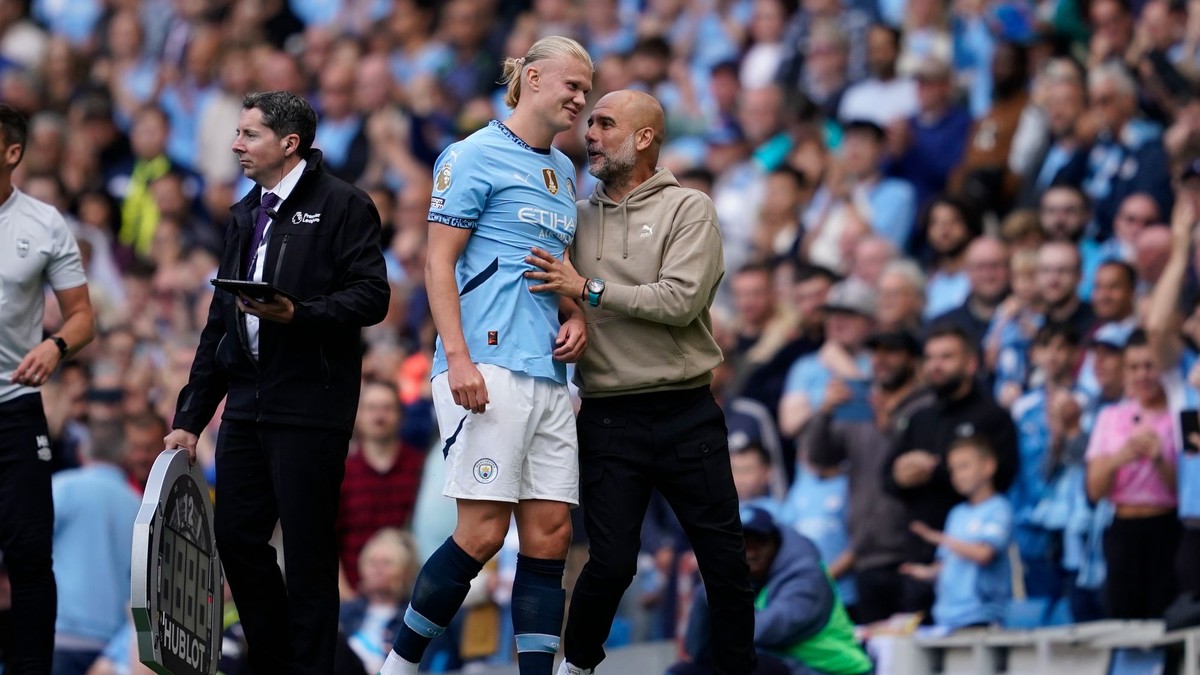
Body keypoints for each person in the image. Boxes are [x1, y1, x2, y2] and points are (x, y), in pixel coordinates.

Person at [376, 36, 593, 675]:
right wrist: (458, 357)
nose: (581, 98)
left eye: (587, 88)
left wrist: (576, 313)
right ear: (528, 78)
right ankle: (399, 664)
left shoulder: (565, 171)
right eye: (571, 84)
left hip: (550, 374)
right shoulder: (472, 156)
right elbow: (438, 262)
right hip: (487, 368)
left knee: (550, 531)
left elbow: (558, 269)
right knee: (482, 532)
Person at [523, 89, 757, 675]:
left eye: (604, 124)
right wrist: (574, 312)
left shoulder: (690, 208)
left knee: (725, 561)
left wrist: (588, 291)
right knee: (610, 564)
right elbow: (556, 298)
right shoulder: (574, 216)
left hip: (686, 411)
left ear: (645, 137)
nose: (589, 134)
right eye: (590, 123)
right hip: (607, 413)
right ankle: (576, 668)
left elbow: (679, 303)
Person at [163, 90, 390, 675]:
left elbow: (373, 296)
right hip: (245, 405)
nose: (235, 145)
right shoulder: (245, 212)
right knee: (236, 539)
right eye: (237, 133)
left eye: (249, 134)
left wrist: (300, 313)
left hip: (310, 405)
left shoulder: (344, 204)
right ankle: (274, 663)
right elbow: (220, 321)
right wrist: (190, 419)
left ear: (288, 143)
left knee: (310, 555)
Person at [0, 103, 97, 673]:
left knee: (31, 554)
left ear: (12, 152)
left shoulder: (43, 223)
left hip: (15, 410)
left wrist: (55, 346)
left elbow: (81, 315)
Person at [884, 325, 1018, 616]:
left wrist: (937, 472)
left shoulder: (992, 416)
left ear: (970, 363)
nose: (936, 365)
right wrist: (901, 475)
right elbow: (888, 479)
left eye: (946, 357)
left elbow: (1005, 475)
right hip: (920, 557)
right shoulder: (918, 418)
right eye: (930, 358)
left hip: (973, 571)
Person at [669, 507, 873, 675]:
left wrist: (720, 591)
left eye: (760, 543)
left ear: (776, 542)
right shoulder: (748, 576)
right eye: (741, 544)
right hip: (786, 664)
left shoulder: (805, 577)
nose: (751, 553)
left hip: (832, 670)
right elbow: (698, 650)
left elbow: (757, 633)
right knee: (684, 671)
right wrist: (707, 590)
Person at [1085, 329, 1180, 619]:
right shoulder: (1110, 417)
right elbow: (1095, 490)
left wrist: (1159, 459)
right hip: (1123, 528)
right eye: (1134, 367)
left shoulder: (1180, 415)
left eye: (1149, 365)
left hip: (1166, 527)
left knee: (1164, 615)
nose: (1143, 375)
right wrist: (1119, 458)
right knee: (1123, 617)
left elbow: (1185, 490)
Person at [50, 419, 140, 675]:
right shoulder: (139, 505)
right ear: (125, 456)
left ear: (82, 451)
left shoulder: (63, 487)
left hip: (63, 634)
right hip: (113, 646)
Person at [902, 437, 1013, 629]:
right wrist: (925, 573)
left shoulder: (999, 508)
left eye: (964, 467)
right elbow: (945, 566)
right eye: (953, 470)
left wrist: (938, 538)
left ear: (988, 466)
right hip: (947, 618)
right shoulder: (956, 514)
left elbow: (984, 554)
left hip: (981, 617)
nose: (958, 476)